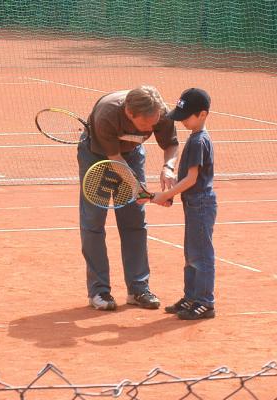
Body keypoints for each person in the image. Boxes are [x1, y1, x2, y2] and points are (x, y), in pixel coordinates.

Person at [77, 86, 179, 311]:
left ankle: (138, 289)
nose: (152, 128)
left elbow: (171, 144)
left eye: (155, 122)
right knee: (93, 222)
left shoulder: (159, 113)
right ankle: (99, 291)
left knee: (134, 221)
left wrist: (168, 167)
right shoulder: (107, 114)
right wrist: (144, 192)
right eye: (146, 125)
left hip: (131, 155)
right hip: (97, 156)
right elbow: (114, 159)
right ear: (129, 113)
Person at [151, 88, 217, 320]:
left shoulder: (199, 141)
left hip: (201, 205)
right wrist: (170, 194)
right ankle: (191, 297)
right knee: (191, 255)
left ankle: (205, 302)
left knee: (201, 255)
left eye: (186, 116)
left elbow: (191, 179)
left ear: (202, 114)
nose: (182, 121)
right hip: (193, 203)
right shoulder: (195, 137)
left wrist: (165, 194)